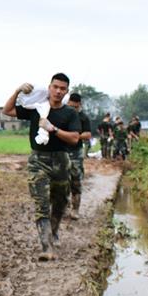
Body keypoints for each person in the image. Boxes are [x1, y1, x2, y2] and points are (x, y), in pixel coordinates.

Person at [3, 74, 81, 261]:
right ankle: (46, 247)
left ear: (66, 92)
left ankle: (53, 233)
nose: (58, 91)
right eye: (55, 87)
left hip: (61, 161)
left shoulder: (70, 113)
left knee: (60, 202)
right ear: (49, 87)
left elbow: (74, 138)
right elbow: (8, 110)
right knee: (42, 204)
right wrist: (17, 90)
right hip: (38, 161)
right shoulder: (37, 109)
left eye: (62, 88)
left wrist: (52, 128)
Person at [65, 93, 92, 221]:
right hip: (61, 152)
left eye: (75, 107)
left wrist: (75, 136)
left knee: (76, 181)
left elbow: (88, 134)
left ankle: (75, 209)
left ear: (79, 105)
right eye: (71, 106)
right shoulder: (62, 114)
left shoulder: (83, 117)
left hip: (76, 152)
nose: (73, 109)